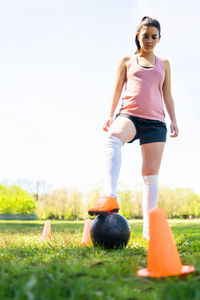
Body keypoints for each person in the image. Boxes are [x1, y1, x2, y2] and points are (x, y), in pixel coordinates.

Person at [88, 16, 179, 240]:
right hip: (130, 115)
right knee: (112, 138)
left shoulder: (164, 64)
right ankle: (109, 196)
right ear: (138, 35)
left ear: (159, 38)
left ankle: (149, 231)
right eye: (145, 35)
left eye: (153, 37)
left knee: (150, 175)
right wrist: (110, 115)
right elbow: (116, 89)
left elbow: (167, 94)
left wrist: (174, 120)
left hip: (156, 122)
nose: (149, 40)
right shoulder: (127, 61)